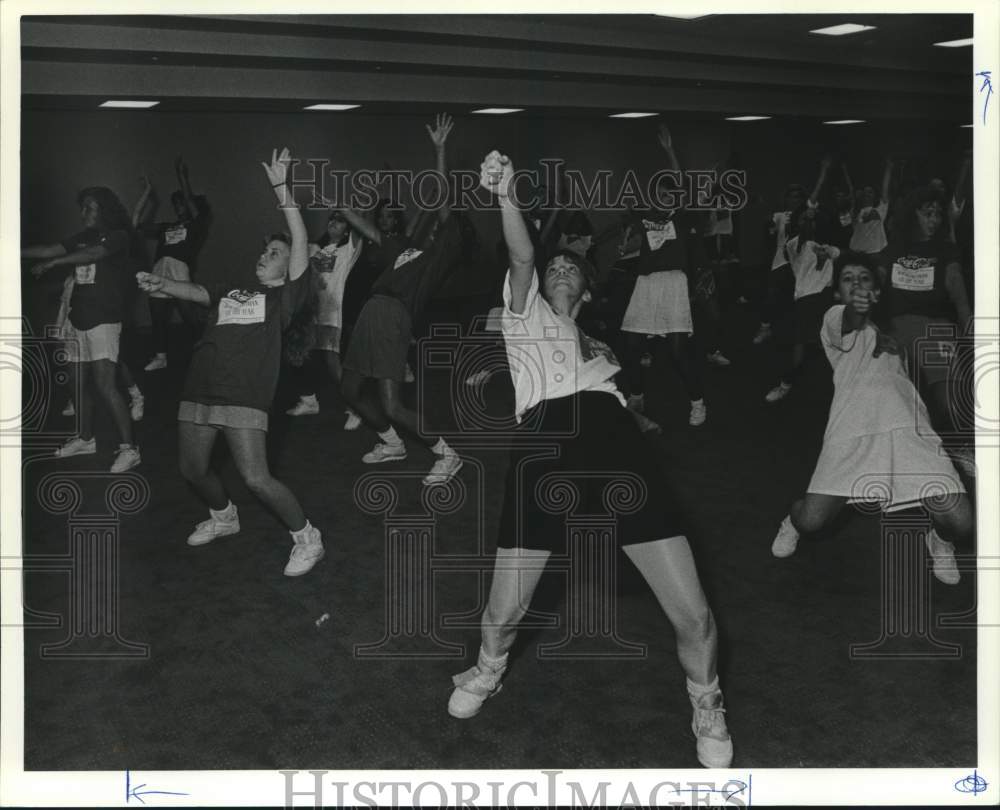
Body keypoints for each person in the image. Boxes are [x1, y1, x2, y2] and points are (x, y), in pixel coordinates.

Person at [446, 149, 733, 770]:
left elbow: (618, 403)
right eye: (551, 267)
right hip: (544, 441)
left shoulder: (602, 348)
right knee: (503, 609)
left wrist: (639, 415)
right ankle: (488, 669)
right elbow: (522, 253)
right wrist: (507, 193)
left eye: (570, 268)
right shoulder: (524, 316)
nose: (558, 270)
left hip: (612, 444)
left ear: (588, 287)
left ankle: (706, 701)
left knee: (694, 611)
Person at [136, 148, 324, 577]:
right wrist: (159, 282)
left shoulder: (285, 298)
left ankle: (307, 536)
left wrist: (281, 189)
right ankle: (224, 515)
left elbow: (298, 247)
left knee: (256, 479)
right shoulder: (236, 291)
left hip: (244, 394)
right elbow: (198, 293)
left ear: (289, 266)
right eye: (265, 251)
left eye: (275, 253)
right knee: (192, 469)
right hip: (200, 387)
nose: (265, 256)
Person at [770, 252, 971, 584]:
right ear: (838, 293)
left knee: (962, 522)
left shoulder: (895, 335)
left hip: (909, 429)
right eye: (848, 279)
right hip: (852, 430)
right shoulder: (835, 319)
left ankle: (939, 540)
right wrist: (860, 308)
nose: (857, 285)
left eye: (864, 279)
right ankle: (791, 521)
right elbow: (851, 316)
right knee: (811, 521)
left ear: (877, 291)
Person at [340, 114, 464, 486]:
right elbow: (368, 228)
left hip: (395, 315)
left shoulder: (443, 249)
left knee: (392, 403)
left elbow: (440, 198)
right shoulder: (404, 246)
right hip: (371, 312)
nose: (438, 221)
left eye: (444, 220)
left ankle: (446, 452)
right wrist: (343, 207)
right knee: (348, 391)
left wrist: (439, 150)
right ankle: (392, 443)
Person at [24, 186, 143, 472]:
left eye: (89, 207)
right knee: (76, 385)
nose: (83, 213)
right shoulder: (82, 237)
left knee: (105, 385)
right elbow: (50, 248)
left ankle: (131, 449)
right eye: (82, 208)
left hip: (104, 319)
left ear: (104, 209)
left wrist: (55, 262)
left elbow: (92, 254)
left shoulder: (118, 236)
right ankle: (85, 439)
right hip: (79, 319)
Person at [879, 186, 975, 476]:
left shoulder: (945, 251)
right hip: (897, 327)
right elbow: (876, 282)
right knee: (892, 399)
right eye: (926, 213)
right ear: (912, 214)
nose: (933, 220)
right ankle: (897, 458)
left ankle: (962, 448)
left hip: (935, 329)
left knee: (950, 404)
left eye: (937, 215)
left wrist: (973, 338)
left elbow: (959, 299)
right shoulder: (894, 249)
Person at [619, 124, 707, 427]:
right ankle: (637, 394)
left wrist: (670, 151)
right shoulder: (645, 217)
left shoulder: (680, 217)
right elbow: (627, 241)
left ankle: (697, 402)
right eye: (661, 194)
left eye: (671, 194)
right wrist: (626, 241)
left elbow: (680, 183)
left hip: (673, 283)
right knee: (631, 344)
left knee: (677, 351)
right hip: (646, 283)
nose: (666, 198)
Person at [285, 208, 363, 428]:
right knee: (299, 357)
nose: (333, 223)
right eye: (332, 219)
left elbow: (360, 227)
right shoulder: (315, 249)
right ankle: (309, 401)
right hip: (310, 313)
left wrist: (356, 207)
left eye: (340, 221)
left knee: (332, 363)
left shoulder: (348, 250)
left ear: (348, 228)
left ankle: (356, 408)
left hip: (331, 314)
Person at [134, 158, 210, 371]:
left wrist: (182, 177)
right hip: (160, 266)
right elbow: (139, 226)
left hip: (179, 266)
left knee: (187, 312)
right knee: (156, 310)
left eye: (182, 203)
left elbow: (190, 200)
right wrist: (147, 196)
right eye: (175, 204)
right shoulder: (167, 226)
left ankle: (205, 345)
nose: (179, 207)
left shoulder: (197, 223)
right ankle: (160, 357)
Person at [763, 205, 839, 403]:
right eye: (804, 219)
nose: (808, 222)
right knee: (799, 347)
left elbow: (833, 262)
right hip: (806, 299)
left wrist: (826, 258)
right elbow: (805, 258)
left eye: (812, 219)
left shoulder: (828, 246)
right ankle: (784, 386)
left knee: (835, 347)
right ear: (797, 222)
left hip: (825, 298)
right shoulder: (793, 244)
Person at [752, 157, 829, 346]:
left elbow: (814, 198)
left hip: (802, 260)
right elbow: (769, 234)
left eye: (798, 197)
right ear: (785, 198)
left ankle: (812, 333)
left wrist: (824, 171)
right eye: (791, 196)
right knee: (772, 295)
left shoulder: (804, 214)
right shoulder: (778, 216)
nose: (794, 200)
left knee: (805, 298)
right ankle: (765, 327)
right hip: (781, 259)